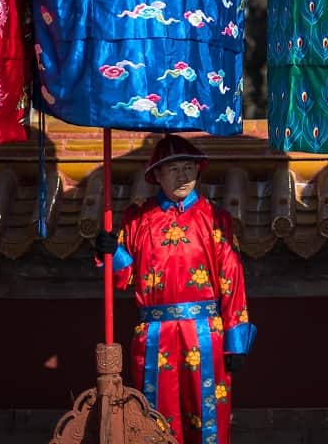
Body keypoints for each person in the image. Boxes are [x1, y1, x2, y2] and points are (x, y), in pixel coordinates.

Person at [95, 133, 255, 444]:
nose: (182, 176)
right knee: (154, 421)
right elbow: (125, 276)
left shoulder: (216, 219)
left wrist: (237, 339)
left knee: (208, 420)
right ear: (156, 175)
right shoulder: (137, 219)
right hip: (155, 334)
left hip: (205, 333)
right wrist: (111, 251)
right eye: (173, 169)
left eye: (188, 167)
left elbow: (232, 277)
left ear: (198, 170)